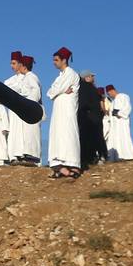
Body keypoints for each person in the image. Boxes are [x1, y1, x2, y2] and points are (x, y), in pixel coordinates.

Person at [47, 47, 81, 177]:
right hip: (58, 110)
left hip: (67, 110)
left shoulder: (70, 73)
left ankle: (74, 165)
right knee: (58, 134)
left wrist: (58, 91)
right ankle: (61, 168)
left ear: (64, 60)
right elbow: (50, 92)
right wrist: (59, 91)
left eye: (56, 60)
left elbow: (55, 90)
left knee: (69, 133)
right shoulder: (60, 76)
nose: (54, 62)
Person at [76, 71, 107, 169]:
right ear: (86, 77)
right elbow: (84, 102)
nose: (93, 77)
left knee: (90, 138)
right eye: (91, 76)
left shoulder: (89, 87)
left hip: (90, 116)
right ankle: (98, 156)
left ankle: (92, 157)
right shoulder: (86, 87)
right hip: (90, 117)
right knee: (94, 137)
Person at [103, 84, 133, 161]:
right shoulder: (113, 102)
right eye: (108, 94)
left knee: (123, 137)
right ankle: (116, 157)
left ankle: (127, 156)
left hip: (122, 122)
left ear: (113, 90)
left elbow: (127, 107)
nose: (110, 95)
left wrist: (119, 113)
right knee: (114, 139)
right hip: (115, 125)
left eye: (109, 93)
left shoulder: (123, 96)